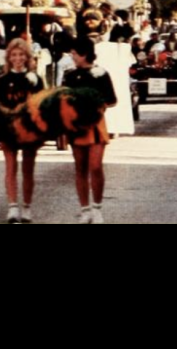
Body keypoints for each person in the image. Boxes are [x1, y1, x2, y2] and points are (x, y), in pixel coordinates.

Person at [63, 36, 117, 224]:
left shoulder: (101, 74)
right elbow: (64, 99)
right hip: (76, 126)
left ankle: (97, 208)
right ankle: (84, 209)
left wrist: (96, 104)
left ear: (85, 54)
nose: (72, 57)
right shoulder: (70, 75)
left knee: (95, 167)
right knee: (80, 168)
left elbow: (112, 99)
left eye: (75, 54)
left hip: (95, 125)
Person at [0, 38, 45, 223]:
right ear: (9, 57)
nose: (18, 58)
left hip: (30, 128)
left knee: (28, 168)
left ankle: (27, 207)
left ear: (27, 57)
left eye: (21, 54)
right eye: (14, 55)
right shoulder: (2, 81)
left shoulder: (35, 79)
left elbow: (42, 103)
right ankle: (13, 206)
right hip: (9, 128)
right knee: (10, 167)